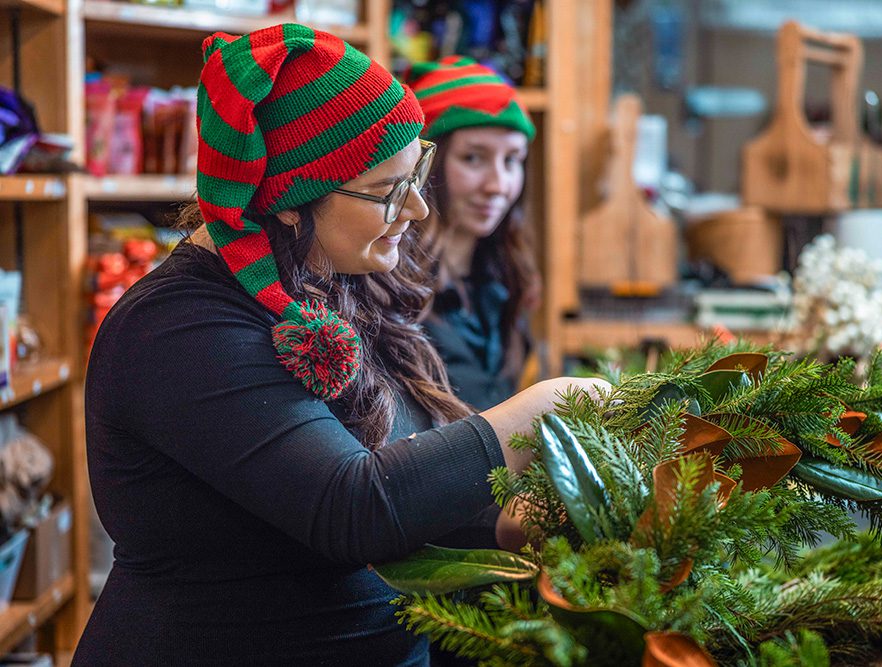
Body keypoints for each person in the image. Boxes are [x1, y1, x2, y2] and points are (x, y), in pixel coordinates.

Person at [75, 25, 606, 666]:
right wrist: (552, 404)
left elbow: (381, 480)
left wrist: (503, 524)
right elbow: (351, 506)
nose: (417, 211)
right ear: (291, 203)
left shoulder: (327, 281)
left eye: (417, 176)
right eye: (387, 191)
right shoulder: (176, 332)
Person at [406, 57, 540, 411]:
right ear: (424, 162)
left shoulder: (504, 280)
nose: (498, 186)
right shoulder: (392, 290)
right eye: (473, 158)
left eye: (512, 160)